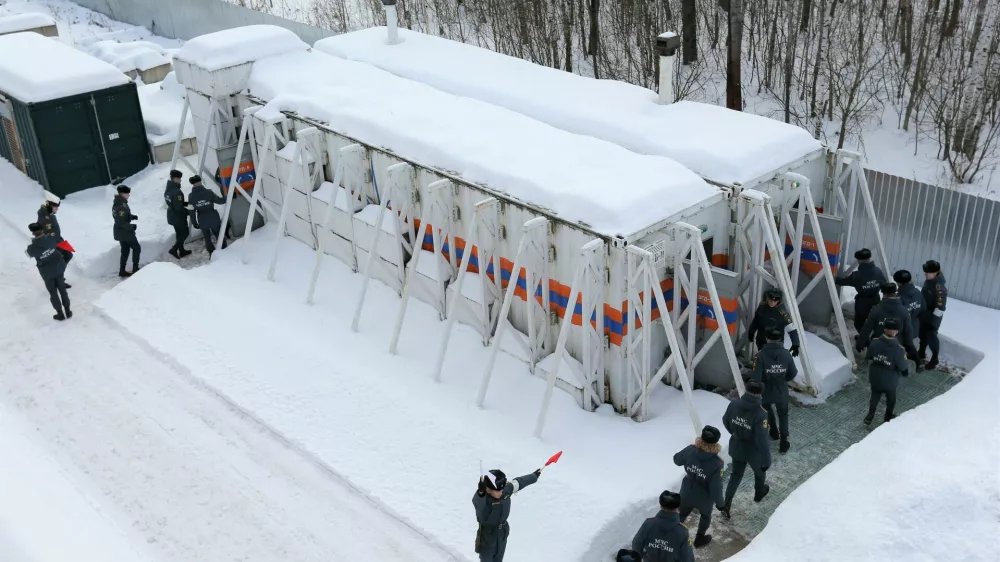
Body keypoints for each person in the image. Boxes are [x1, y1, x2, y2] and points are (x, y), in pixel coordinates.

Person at [722, 380, 771, 515]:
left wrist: (735, 433)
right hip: (753, 451)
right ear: (760, 394)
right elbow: (762, 440)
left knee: (736, 475)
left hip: (737, 445)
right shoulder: (761, 414)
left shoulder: (734, 404)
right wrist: (767, 460)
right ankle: (758, 493)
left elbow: (725, 420)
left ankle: (726, 504)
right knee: (760, 472)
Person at [473, 467, 541, 562]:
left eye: (502, 489)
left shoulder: (504, 491)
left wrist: (533, 476)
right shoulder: (484, 502)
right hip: (487, 538)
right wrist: (480, 492)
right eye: (498, 491)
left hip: (502, 534)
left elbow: (518, 483)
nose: (502, 492)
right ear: (488, 490)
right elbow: (477, 501)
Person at [673, 426, 726, 548]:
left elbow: (676, 460)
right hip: (704, 497)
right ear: (716, 442)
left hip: (687, 490)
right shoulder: (717, 463)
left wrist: (689, 452)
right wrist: (720, 504)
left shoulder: (691, 450)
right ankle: (699, 538)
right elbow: (716, 488)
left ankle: (672, 535)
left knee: (680, 514)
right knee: (706, 516)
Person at [750, 327, 798, 454]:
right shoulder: (786, 354)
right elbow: (792, 373)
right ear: (780, 339)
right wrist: (782, 379)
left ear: (766, 339)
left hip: (766, 391)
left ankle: (773, 431)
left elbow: (756, 378)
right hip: (781, 390)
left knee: (767, 410)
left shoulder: (760, 356)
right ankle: (784, 441)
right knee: (783, 415)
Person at [865, 318, 910, 425]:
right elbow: (903, 366)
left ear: (884, 329)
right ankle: (887, 417)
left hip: (875, 376)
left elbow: (869, 356)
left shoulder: (875, 342)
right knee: (891, 399)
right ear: (897, 331)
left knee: (875, 395)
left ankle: (869, 416)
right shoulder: (899, 349)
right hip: (890, 380)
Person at [856, 283, 918, 360]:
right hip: (897, 345)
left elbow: (867, 328)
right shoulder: (904, 311)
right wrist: (910, 346)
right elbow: (908, 330)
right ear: (896, 293)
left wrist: (860, 343)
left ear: (883, 294)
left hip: (878, 345)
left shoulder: (876, 310)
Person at [630, 490, 695, 562]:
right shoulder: (683, 532)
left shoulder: (647, 524)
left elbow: (636, 544)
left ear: (660, 506)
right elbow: (688, 558)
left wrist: (644, 556)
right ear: (677, 509)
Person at [25, 223, 71, 320]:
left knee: (53, 292)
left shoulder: (32, 248)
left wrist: (33, 242)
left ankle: (60, 314)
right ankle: (68, 311)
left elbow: (28, 254)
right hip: (58, 268)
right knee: (62, 290)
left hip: (47, 273)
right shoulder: (51, 238)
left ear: (33, 233)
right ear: (42, 230)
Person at [835, 248, 887, 334]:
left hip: (862, 303)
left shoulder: (856, 275)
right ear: (869, 259)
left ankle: (864, 340)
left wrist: (829, 278)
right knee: (874, 321)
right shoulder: (878, 271)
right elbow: (884, 286)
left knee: (859, 323)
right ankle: (873, 338)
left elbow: (842, 282)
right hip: (876, 300)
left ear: (859, 261)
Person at [746, 287, 800, 357]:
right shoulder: (762, 307)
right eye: (770, 299)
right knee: (762, 361)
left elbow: (791, 330)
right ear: (767, 298)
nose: (772, 302)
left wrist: (795, 344)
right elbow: (756, 320)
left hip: (776, 345)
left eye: (775, 300)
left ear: (779, 301)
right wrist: (751, 331)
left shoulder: (782, 313)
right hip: (761, 342)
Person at [187, 175, 228, 256]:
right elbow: (220, 201)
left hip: (202, 220)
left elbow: (191, 211)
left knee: (207, 238)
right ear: (200, 182)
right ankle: (225, 250)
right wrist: (228, 196)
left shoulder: (191, 196)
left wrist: (194, 222)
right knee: (219, 235)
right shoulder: (209, 192)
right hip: (213, 217)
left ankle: (212, 253)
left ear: (193, 184)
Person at [37, 198, 72, 288]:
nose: (57, 209)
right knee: (61, 260)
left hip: (58, 241)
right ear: (50, 206)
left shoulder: (49, 215)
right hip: (53, 244)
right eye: (56, 206)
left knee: (68, 255)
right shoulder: (45, 217)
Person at [919, 260, 947, 370]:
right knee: (922, 333)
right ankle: (921, 352)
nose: (925, 274)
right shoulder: (929, 281)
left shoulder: (939, 287)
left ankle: (934, 358)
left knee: (931, 336)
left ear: (935, 273)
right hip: (925, 313)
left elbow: (940, 307)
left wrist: (933, 321)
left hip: (933, 314)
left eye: (928, 272)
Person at [112, 185, 141, 277]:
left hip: (120, 232)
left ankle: (122, 270)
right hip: (125, 232)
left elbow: (121, 216)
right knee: (136, 248)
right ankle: (135, 268)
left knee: (125, 250)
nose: (129, 195)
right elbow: (120, 221)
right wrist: (131, 226)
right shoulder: (120, 205)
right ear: (122, 193)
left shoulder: (119, 202)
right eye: (127, 193)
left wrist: (131, 216)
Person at [165, 169, 193, 259]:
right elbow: (178, 208)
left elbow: (173, 203)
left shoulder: (168, 189)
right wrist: (188, 212)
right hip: (178, 217)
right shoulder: (177, 192)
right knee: (185, 233)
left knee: (179, 233)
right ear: (174, 179)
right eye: (179, 178)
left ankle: (182, 251)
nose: (180, 180)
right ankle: (174, 249)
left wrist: (183, 203)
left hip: (171, 215)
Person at [894, 270, 924, 341]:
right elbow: (923, 309)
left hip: (901, 333)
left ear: (898, 283)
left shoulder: (899, 299)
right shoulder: (918, 293)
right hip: (914, 329)